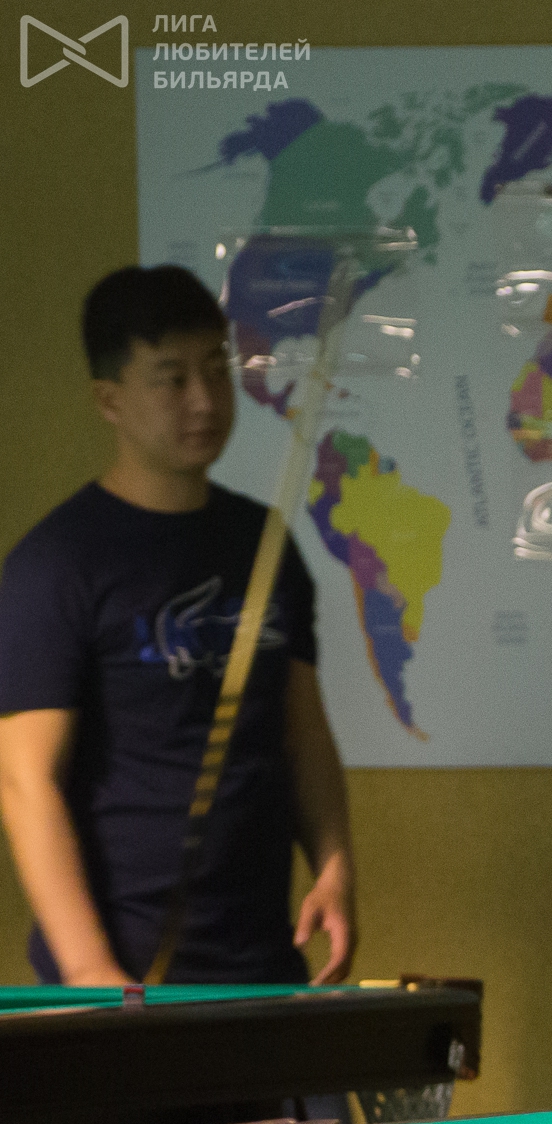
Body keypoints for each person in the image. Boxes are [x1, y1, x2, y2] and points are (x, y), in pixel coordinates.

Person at [0, 265, 354, 986]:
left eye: (215, 369)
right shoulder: (57, 563)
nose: (204, 400)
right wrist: (89, 970)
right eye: (172, 378)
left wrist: (335, 866)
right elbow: (24, 780)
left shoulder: (265, 542)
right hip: (122, 971)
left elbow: (303, 737)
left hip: (263, 962)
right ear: (109, 399)